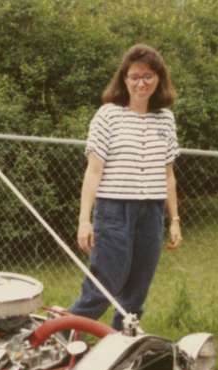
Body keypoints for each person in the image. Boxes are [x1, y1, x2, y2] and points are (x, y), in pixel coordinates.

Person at [69, 44, 182, 329]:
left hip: (152, 213)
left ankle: (121, 349)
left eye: (147, 76)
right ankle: (62, 340)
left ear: (158, 79)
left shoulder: (165, 119)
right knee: (103, 288)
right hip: (114, 212)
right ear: (124, 79)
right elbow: (93, 171)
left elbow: (168, 175)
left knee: (136, 293)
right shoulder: (108, 115)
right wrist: (84, 220)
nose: (140, 83)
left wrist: (174, 220)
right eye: (134, 76)